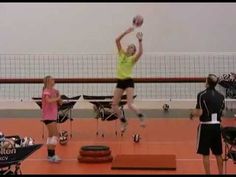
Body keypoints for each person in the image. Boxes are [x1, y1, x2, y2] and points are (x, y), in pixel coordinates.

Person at [112, 26, 145, 133]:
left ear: (133, 52)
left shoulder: (132, 59)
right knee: (114, 105)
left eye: (132, 47)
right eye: (129, 46)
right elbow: (117, 40)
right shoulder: (121, 54)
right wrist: (126, 32)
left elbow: (140, 53)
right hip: (120, 81)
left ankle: (140, 116)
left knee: (130, 104)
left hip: (128, 81)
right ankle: (123, 121)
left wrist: (140, 41)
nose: (129, 48)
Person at [191, 74, 225, 174]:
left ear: (207, 82)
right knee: (218, 154)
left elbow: (199, 112)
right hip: (217, 126)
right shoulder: (221, 96)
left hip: (205, 126)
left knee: (205, 154)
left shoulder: (201, 95)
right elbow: (222, 112)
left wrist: (192, 113)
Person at [42, 75, 63, 163]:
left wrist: (59, 97)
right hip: (48, 117)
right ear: (48, 82)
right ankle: (52, 155)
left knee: (51, 136)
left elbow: (60, 103)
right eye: (52, 80)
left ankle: (50, 155)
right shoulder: (46, 91)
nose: (54, 80)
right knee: (56, 135)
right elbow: (48, 100)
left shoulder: (55, 91)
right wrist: (57, 98)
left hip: (53, 116)